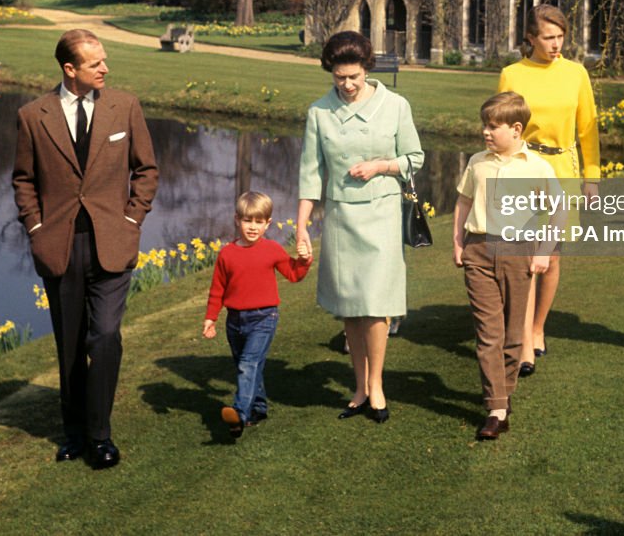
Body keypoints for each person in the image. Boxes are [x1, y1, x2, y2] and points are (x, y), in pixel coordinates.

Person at [13, 29, 158, 468]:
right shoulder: (32, 115)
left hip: (113, 242)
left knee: (107, 335)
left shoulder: (125, 107)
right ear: (69, 69)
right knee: (71, 345)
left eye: (105, 61)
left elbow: (147, 171)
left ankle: (100, 435)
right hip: (58, 245)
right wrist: (36, 229)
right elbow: (23, 181)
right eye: (96, 63)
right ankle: (74, 432)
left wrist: (133, 219)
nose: (105, 69)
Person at [295, 31, 423, 424]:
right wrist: (301, 228)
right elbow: (310, 175)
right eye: (339, 78)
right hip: (340, 219)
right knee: (350, 309)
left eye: (354, 76)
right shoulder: (319, 113)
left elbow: (414, 158)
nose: (348, 85)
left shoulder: (395, 105)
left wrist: (380, 166)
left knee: (375, 305)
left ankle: (378, 385)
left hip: (382, 215)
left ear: (367, 68)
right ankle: (360, 387)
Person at [497, 4, 599, 376]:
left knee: (552, 256)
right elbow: (501, 126)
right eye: (548, 37)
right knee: (525, 257)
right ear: (531, 38)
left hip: (563, 171)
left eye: (560, 37)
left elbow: (588, 128)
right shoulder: (512, 74)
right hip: (522, 170)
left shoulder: (576, 74)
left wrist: (592, 176)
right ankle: (524, 341)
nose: (556, 44)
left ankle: (538, 327)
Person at [453, 92, 558, 441]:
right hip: (478, 252)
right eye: (484, 125)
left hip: (519, 252)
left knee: (514, 336)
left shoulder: (538, 167)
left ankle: (503, 392)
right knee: (488, 334)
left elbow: (557, 212)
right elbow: (463, 202)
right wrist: (458, 243)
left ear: (516, 129)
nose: (485, 132)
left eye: (493, 127)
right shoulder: (477, 162)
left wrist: (543, 252)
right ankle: (496, 409)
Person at [203, 191, 312, 438]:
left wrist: (304, 260)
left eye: (259, 222)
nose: (252, 227)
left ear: (268, 223)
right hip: (234, 321)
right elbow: (217, 289)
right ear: (237, 219)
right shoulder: (227, 254)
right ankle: (259, 408)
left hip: (264, 318)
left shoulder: (272, 249)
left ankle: (239, 414)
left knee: (248, 364)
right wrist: (211, 318)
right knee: (252, 365)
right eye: (247, 221)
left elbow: (294, 274)